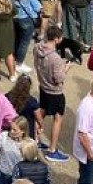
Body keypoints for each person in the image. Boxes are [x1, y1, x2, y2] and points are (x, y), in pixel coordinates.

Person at [34, 25, 69, 161]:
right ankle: (52, 150)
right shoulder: (55, 58)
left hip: (43, 87)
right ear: (56, 39)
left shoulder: (37, 48)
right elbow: (58, 79)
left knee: (41, 112)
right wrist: (66, 67)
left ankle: (36, 140)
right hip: (55, 92)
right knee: (57, 118)